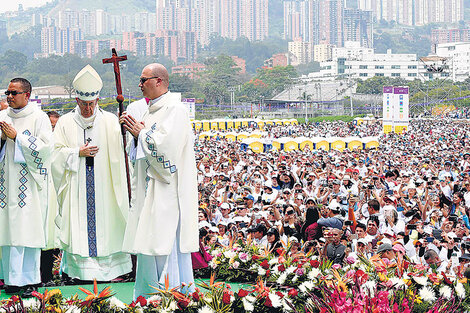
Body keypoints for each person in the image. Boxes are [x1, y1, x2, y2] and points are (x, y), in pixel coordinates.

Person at [120, 63, 198, 299]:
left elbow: (169, 153)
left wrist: (141, 134)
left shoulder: (176, 110)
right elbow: (136, 153)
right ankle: (146, 295)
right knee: (149, 242)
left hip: (167, 191)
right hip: (148, 191)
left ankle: (173, 295)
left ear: (159, 81)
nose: (140, 85)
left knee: (165, 244)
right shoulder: (148, 111)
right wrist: (135, 137)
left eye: (144, 80)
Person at [51, 65, 131, 282]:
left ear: (97, 101)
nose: (87, 108)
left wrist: (125, 131)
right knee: (78, 227)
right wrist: (77, 152)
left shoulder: (110, 121)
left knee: (108, 223)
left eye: (91, 104)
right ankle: (80, 273)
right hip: (76, 184)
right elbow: (54, 154)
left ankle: (110, 272)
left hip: (105, 184)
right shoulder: (66, 122)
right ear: (77, 101)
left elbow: (124, 150)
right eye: (84, 104)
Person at [0, 78, 53, 296]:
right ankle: (9, 278)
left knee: (26, 231)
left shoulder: (39, 118)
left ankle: (29, 279)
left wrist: (18, 137)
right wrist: (3, 138)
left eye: (14, 93)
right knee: (7, 232)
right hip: (5, 184)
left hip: (28, 187)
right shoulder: (2, 117)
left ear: (27, 95)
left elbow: (46, 150)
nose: (9, 97)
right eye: (7, 93)